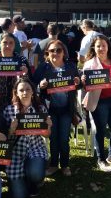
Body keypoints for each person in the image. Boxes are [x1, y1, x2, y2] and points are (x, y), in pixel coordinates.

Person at [33, 40, 80, 177]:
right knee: (53, 138)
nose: (55, 53)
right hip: (50, 109)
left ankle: (65, 165)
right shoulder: (43, 67)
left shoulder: (70, 66)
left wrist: (77, 83)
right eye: (52, 50)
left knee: (64, 138)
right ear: (47, 53)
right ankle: (53, 164)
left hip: (66, 109)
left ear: (63, 52)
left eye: (58, 50)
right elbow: (32, 85)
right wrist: (39, 86)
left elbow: (78, 85)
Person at [81, 35, 111, 172]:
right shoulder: (89, 64)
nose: (101, 48)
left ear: (108, 47)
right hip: (99, 101)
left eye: (103, 45)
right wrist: (84, 81)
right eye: (98, 46)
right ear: (94, 48)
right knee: (100, 131)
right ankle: (101, 159)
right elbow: (85, 87)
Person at [3, 78, 52, 198]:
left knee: (36, 174)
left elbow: (47, 135)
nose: (25, 93)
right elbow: (5, 139)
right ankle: (20, 179)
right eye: (21, 90)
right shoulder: (8, 110)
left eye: (28, 90)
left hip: (35, 148)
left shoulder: (40, 109)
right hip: (15, 152)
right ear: (16, 93)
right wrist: (11, 130)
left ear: (32, 92)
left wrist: (48, 127)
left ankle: (33, 181)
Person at [0, 32, 31, 110]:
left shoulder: (22, 60)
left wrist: (26, 74)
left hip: (16, 103)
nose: (8, 46)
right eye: (5, 42)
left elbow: (30, 82)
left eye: (11, 43)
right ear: (0, 44)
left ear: (15, 45)